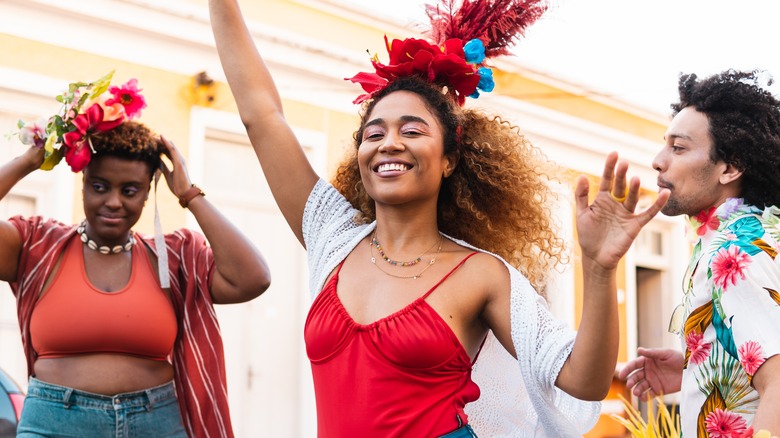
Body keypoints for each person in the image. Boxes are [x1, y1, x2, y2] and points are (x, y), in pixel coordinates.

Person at [209, 0, 668, 436]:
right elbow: (262, 116)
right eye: (374, 133)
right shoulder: (334, 238)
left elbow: (581, 380)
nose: (389, 143)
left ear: (449, 159)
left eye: (412, 130)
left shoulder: (481, 275)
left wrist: (599, 269)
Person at [2, 72, 271, 437]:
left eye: (130, 190)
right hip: (53, 424)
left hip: (156, 423)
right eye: (100, 187)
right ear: (84, 184)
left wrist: (189, 194)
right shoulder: (38, 246)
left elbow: (253, 277)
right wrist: (31, 160)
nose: (113, 202)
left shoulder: (175, 258)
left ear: (147, 193)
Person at [618, 70, 780, 436]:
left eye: (679, 147)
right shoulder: (753, 234)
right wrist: (702, 367)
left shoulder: (734, 255)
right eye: (665, 144)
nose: (658, 160)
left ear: (730, 167)